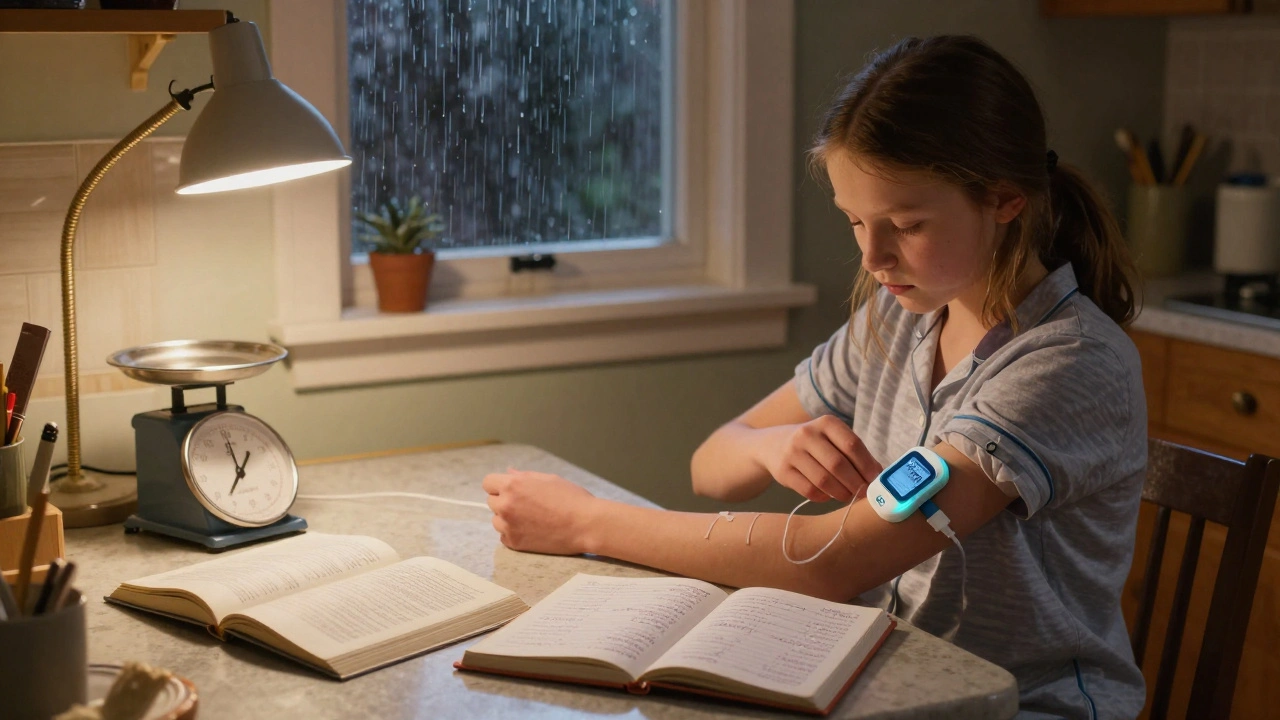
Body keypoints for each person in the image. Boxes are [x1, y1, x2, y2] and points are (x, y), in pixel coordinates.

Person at [483, 34, 1146, 720]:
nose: (874, 255)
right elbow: (712, 464)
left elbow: (835, 561)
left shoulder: (1067, 364)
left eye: (906, 223)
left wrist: (586, 522)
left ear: (1005, 199)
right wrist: (769, 446)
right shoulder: (896, 322)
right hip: (882, 677)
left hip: (1016, 706)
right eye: (855, 220)